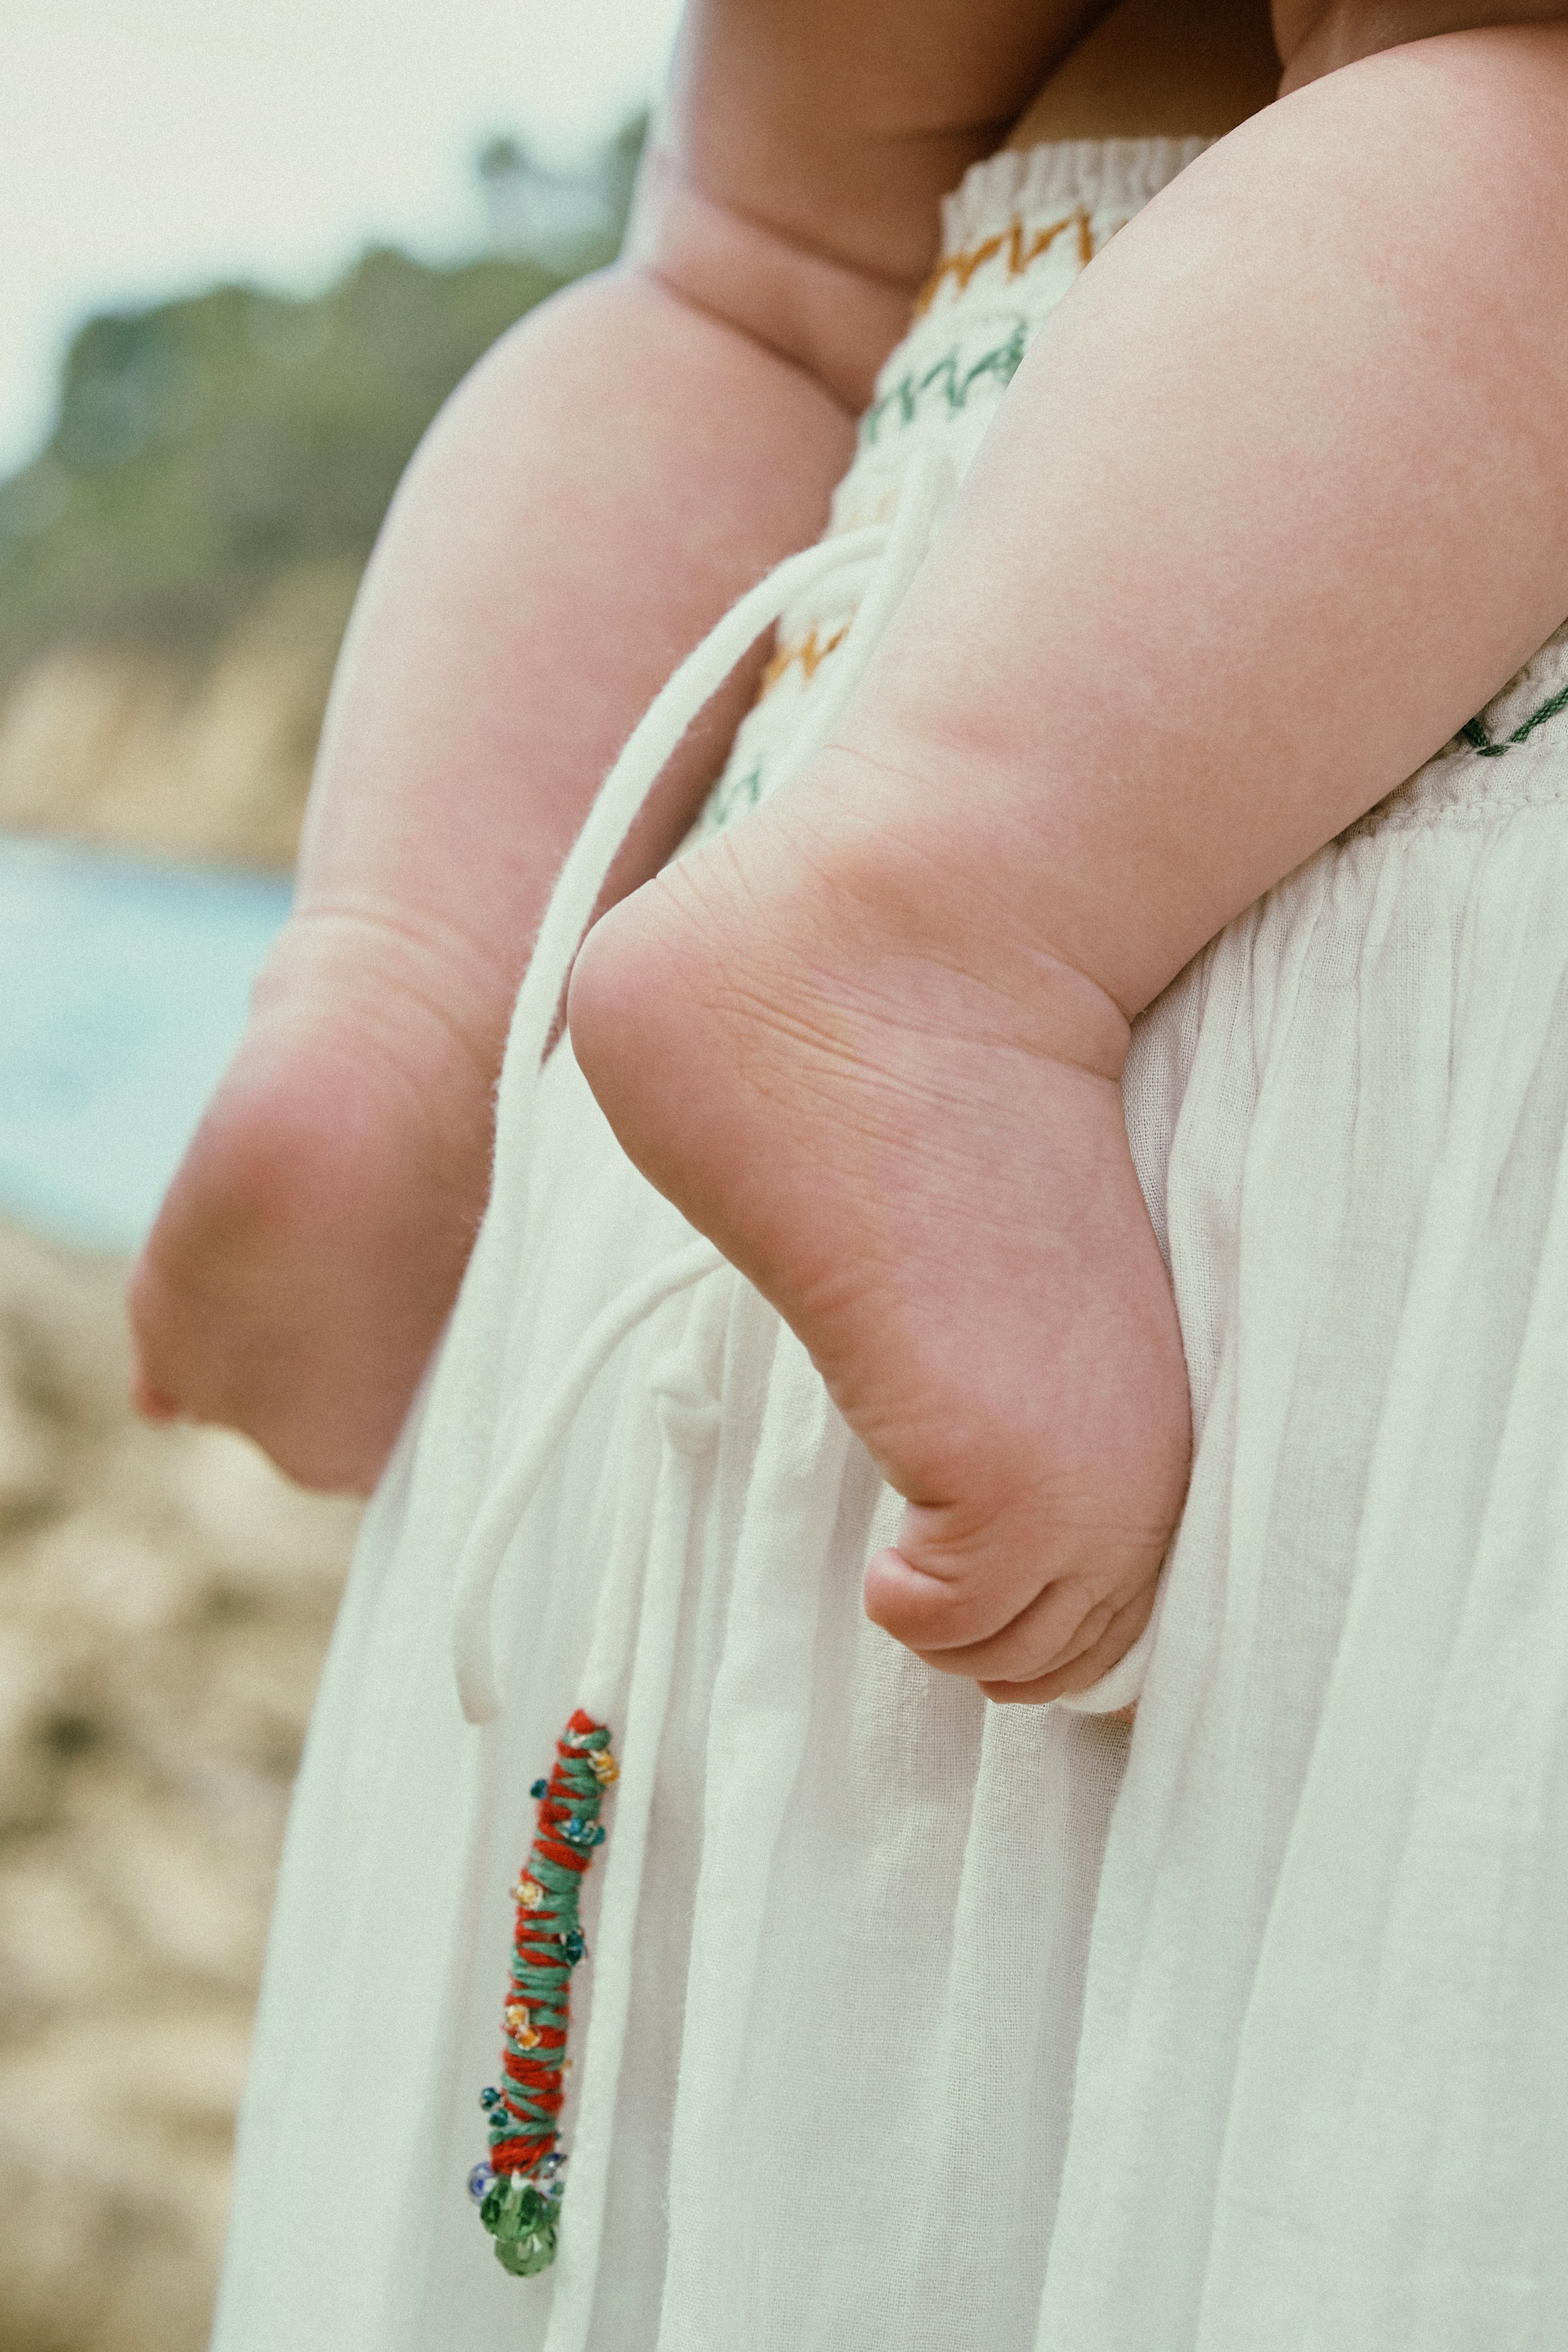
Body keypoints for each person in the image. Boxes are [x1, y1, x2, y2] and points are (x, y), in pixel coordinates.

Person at [141, 0, 1568, 2342]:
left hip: (825, 766)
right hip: (1248, 768)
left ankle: (394, 996)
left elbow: (771, 289)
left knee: (736, 265)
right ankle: (926, 918)